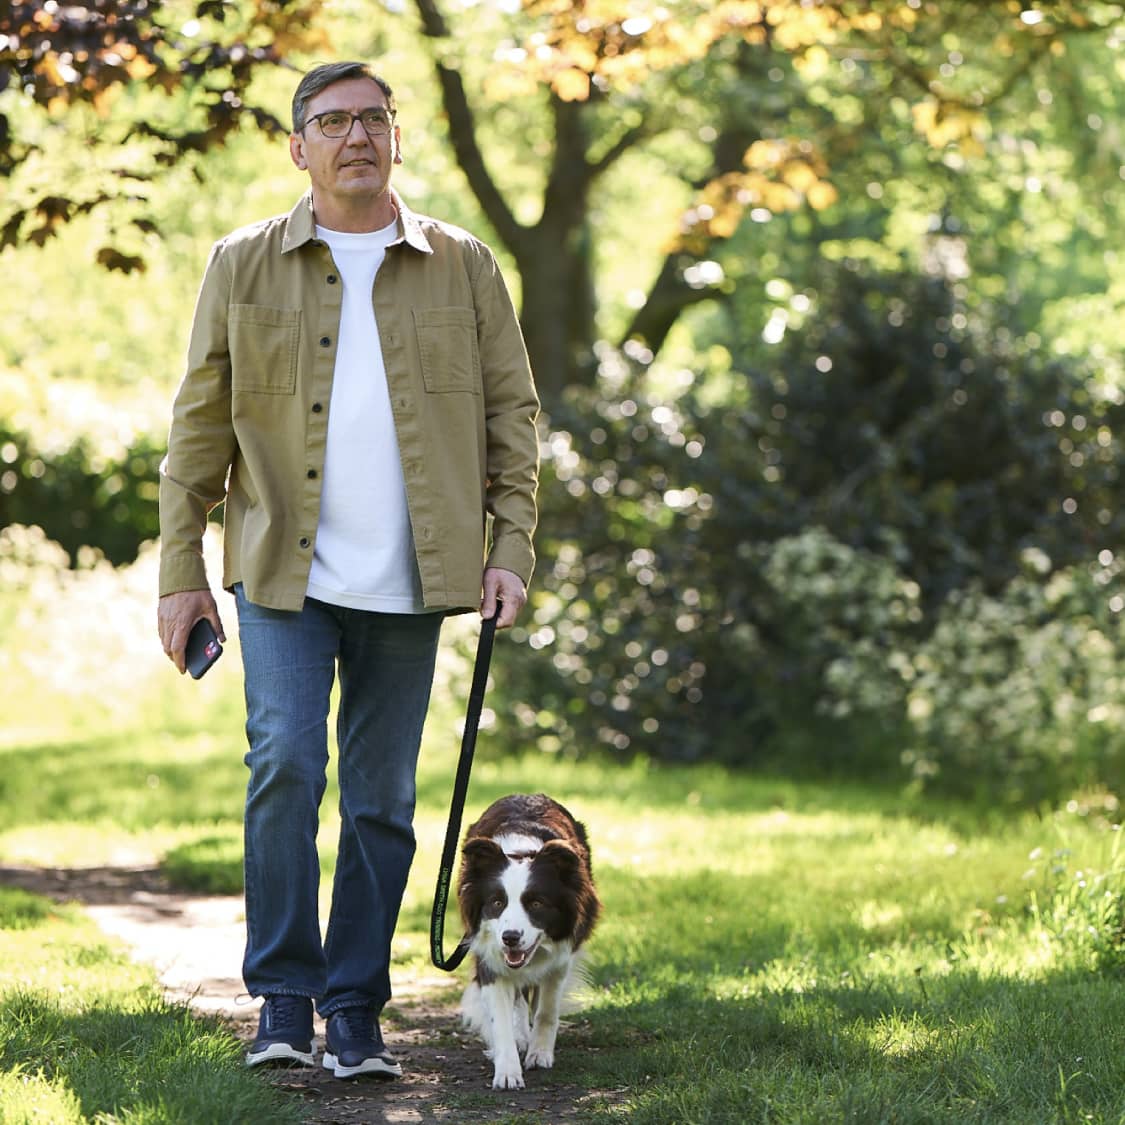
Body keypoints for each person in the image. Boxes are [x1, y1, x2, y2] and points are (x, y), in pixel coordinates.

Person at [156, 60, 539, 1079]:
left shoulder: (463, 264)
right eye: (333, 121)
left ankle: (356, 1008)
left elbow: (514, 417)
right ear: (299, 147)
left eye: (374, 117)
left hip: (413, 577)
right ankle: (283, 999)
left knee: (381, 799)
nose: (357, 135)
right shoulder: (243, 263)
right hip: (281, 569)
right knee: (285, 764)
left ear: (398, 139)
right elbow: (197, 427)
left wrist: (511, 546)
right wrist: (180, 571)